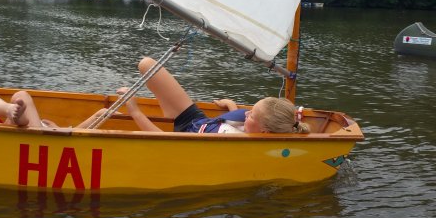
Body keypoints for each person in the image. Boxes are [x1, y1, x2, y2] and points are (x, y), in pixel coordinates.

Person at [118, 57, 310, 134]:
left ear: (265, 131)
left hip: (182, 138)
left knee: (146, 68)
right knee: (146, 64)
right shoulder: (253, 126)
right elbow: (238, 124)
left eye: (251, 115)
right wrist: (231, 105)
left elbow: (161, 140)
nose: (246, 114)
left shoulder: (235, 146)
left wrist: (134, 110)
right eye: (250, 110)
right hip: (195, 119)